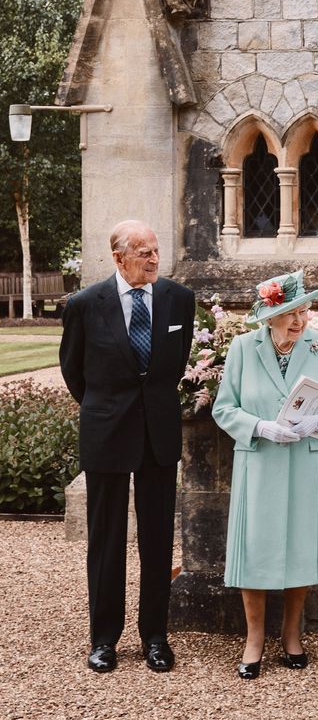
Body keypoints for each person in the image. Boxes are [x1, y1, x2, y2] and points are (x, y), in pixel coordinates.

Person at [59, 220, 195, 673]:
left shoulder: (180, 299)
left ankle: (156, 636)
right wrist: (109, 409)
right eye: (144, 253)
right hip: (106, 432)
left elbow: (173, 367)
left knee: (157, 540)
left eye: (156, 251)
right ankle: (103, 640)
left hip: (158, 434)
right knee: (106, 540)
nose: (155, 259)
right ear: (118, 258)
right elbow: (74, 373)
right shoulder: (83, 305)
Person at [212, 269, 318, 679]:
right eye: (291, 312)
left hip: (305, 460)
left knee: (299, 547)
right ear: (269, 316)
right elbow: (223, 408)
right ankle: (254, 638)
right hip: (258, 460)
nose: (300, 320)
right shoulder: (243, 348)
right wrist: (260, 427)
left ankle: (291, 633)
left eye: (304, 310)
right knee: (254, 550)